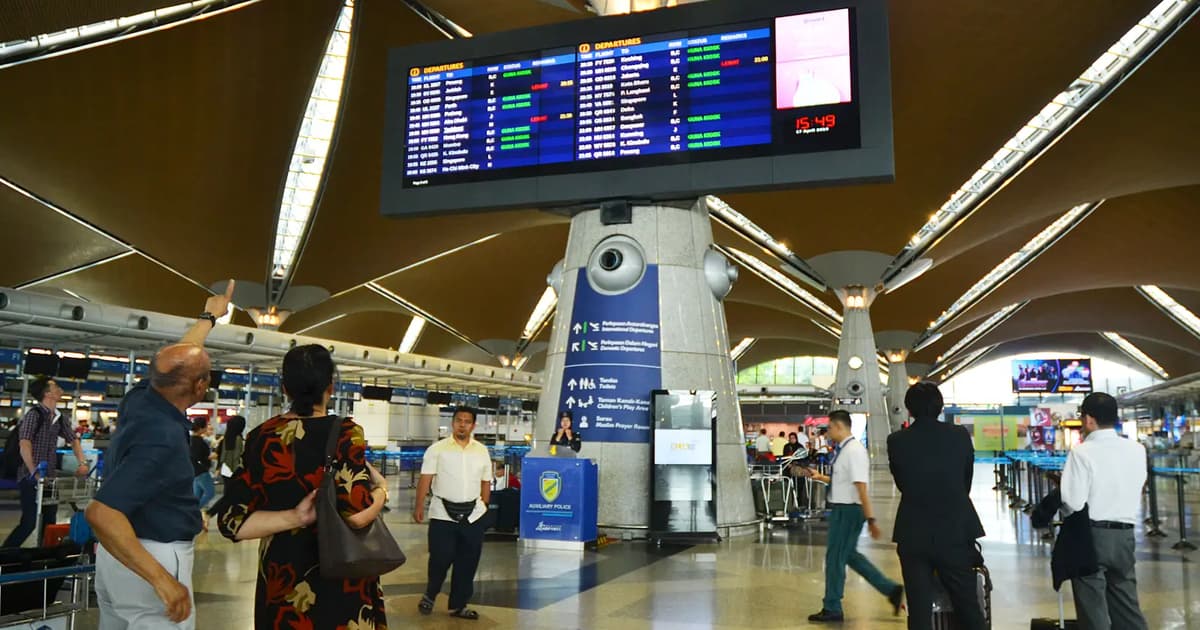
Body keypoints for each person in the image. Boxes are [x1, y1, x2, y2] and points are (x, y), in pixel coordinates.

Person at [85, 282, 235, 627]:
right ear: (200, 388)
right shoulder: (163, 437)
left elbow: (182, 355)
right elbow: (102, 512)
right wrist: (162, 580)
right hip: (153, 555)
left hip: (115, 558)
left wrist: (209, 316)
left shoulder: (142, 396)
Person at [213, 344, 389, 629]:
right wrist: (381, 490)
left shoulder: (261, 436)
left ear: (285, 389)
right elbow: (356, 516)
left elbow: (232, 522)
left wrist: (294, 517)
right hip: (340, 574)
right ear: (330, 387)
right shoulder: (346, 433)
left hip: (282, 578)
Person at [887, 382, 987, 630]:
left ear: (909, 410)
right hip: (954, 530)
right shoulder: (959, 435)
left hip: (913, 532)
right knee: (967, 604)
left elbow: (902, 483)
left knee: (919, 608)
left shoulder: (897, 441)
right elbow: (966, 480)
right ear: (941, 407)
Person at [801, 410, 903, 623]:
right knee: (848, 556)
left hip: (848, 511)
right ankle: (891, 590)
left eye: (829, 428)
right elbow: (844, 482)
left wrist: (871, 519)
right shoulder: (845, 450)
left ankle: (832, 607)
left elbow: (861, 488)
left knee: (835, 558)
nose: (827, 432)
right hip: (843, 509)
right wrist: (821, 477)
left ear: (839, 427)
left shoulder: (854, 451)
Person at [1060, 392, 1149, 630]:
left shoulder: (1082, 452)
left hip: (1091, 537)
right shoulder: (1137, 449)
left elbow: (1073, 502)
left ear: (1089, 420)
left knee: (1093, 609)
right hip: (1124, 536)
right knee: (1126, 605)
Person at [414, 406, 492, 620]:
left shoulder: (481, 451)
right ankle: (431, 594)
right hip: (442, 513)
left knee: (468, 561)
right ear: (453, 422)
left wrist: (484, 505)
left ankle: (459, 605)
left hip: (474, 514)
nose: (462, 424)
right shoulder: (437, 449)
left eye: (467, 421)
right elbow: (425, 479)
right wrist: (419, 505)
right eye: (459, 420)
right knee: (440, 557)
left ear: (473, 425)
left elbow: (487, 481)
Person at [3, 376, 90, 549]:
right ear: (47, 393)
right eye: (55, 386)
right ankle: (6, 556)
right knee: (29, 521)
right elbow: (24, 443)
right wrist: (33, 471)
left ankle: (44, 557)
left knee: (49, 521)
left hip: (50, 479)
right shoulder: (33, 415)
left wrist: (82, 462)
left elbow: (73, 440)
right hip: (30, 477)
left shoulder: (59, 417)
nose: (60, 389)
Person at [189, 418, 216, 530]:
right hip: (201, 471)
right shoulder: (199, 441)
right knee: (210, 492)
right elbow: (200, 456)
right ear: (201, 428)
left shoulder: (190, 440)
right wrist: (211, 457)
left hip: (193, 471)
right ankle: (191, 513)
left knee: (196, 496)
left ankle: (195, 521)